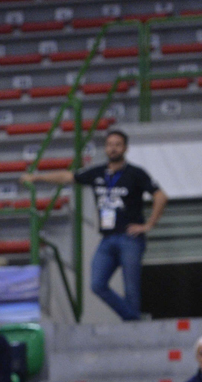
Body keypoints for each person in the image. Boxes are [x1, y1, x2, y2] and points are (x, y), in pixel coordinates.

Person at [21, 129, 167, 321]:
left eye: (117, 144)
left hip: (130, 237)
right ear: (105, 148)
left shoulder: (136, 173)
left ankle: (134, 323)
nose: (113, 148)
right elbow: (68, 177)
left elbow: (160, 196)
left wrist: (148, 225)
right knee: (97, 284)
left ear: (125, 148)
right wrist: (38, 178)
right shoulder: (98, 173)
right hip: (107, 238)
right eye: (109, 144)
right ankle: (134, 319)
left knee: (131, 287)